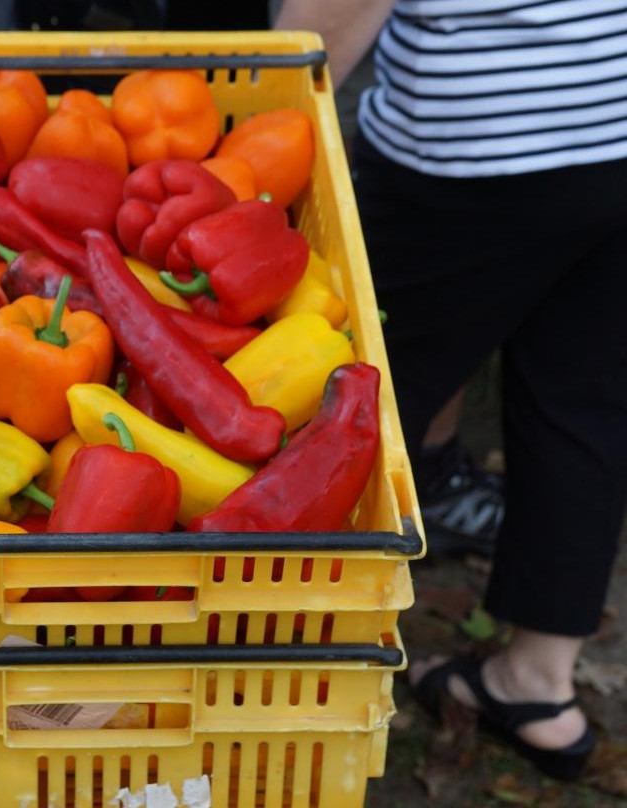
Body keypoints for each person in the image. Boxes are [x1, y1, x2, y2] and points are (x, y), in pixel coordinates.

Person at [274, 0, 627, 780]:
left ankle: (258, 674)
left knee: (333, 414)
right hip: (616, 117)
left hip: (473, 148)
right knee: (584, 406)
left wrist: (247, 132)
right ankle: (537, 684)